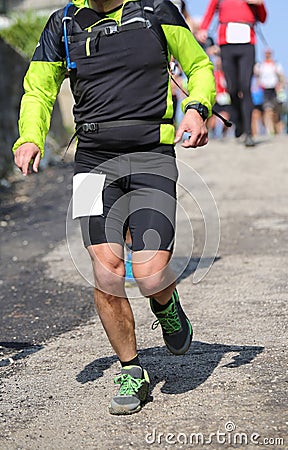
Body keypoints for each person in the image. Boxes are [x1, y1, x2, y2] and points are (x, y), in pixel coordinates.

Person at [12, 0, 215, 415]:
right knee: (105, 271)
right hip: (91, 163)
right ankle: (131, 369)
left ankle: (166, 305)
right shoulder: (63, 23)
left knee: (150, 271)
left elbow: (199, 66)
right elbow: (39, 88)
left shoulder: (156, 11)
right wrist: (30, 136)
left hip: (151, 156)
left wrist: (196, 109)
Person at [197, 0, 267, 147]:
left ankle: (248, 133)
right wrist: (203, 28)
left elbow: (263, 18)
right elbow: (210, 10)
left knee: (245, 87)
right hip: (226, 44)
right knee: (232, 88)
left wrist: (259, 4)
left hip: (247, 44)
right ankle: (239, 121)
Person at [254, 48, 285, 135]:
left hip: (275, 90)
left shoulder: (276, 65)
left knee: (276, 113)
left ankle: (278, 131)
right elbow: (256, 77)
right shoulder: (260, 65)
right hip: (264, 90)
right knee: (268, 110)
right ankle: (269, 130)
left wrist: (281, 86)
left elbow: (281, 77)